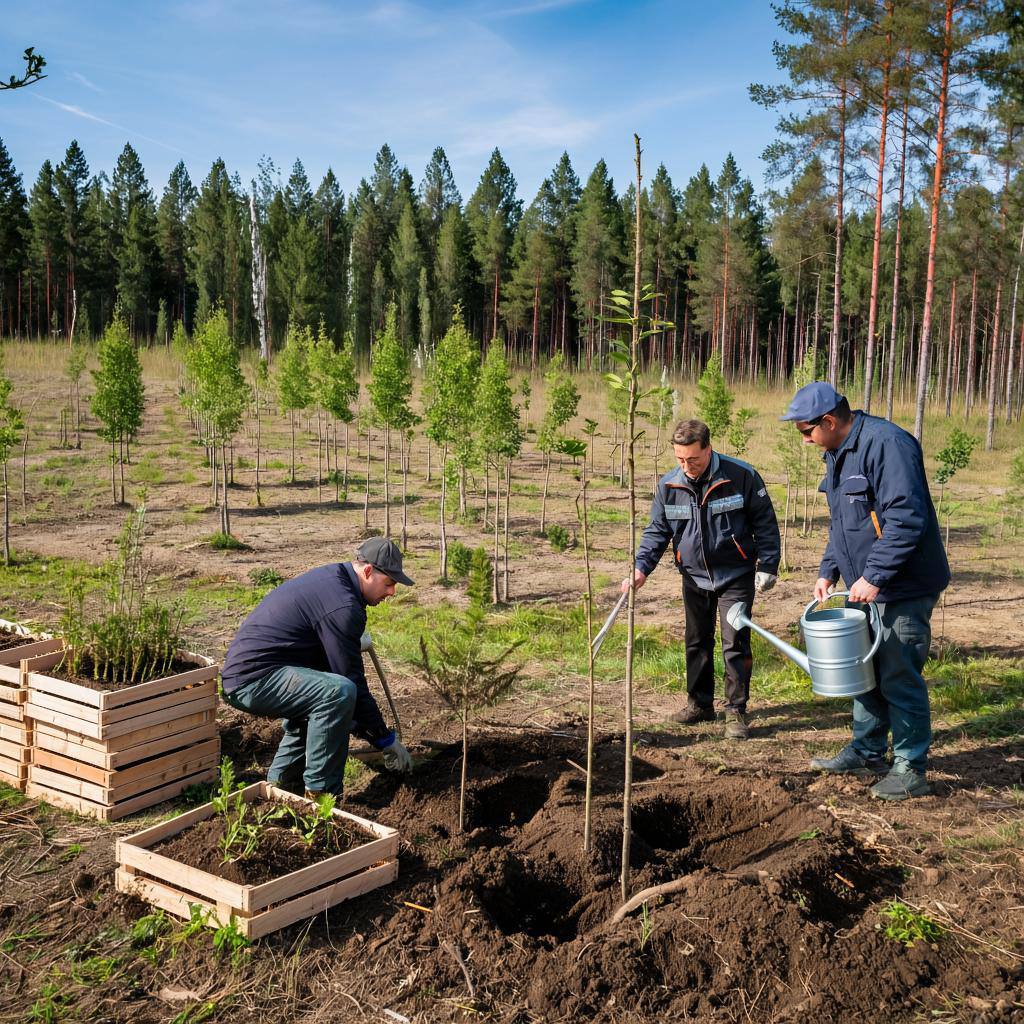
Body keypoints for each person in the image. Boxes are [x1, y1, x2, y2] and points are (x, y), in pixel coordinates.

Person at [781, 381, 950, 801]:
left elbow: (906, 519)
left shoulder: (888, 444)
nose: (805, 441)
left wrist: (874, 576)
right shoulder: (838, 453)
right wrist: (828, 571)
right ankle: (867, 750)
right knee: (864, 670)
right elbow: (845, 523)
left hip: (902, 586)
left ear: (829, 421)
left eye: (806, 431)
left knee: (898, 674)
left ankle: (910, 769)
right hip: (865, 587)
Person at [220, 537, 414, 798]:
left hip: (254, 672)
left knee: (320, 696)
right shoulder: (343, 605)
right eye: (389, 583)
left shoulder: (335, 579)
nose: (392, 592)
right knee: (337, 693)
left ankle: (281, 789)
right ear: (368, 571)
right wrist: (384, 739)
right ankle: (321, 796)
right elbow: (351, 681)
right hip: (253, 679)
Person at [623, 418, 781, 740]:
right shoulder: (669, 486)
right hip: (694, 577)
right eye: (680, 459)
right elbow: (657, 531)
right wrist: (641, 568)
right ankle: (699, 705)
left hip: (735, 575)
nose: (686, 466)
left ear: (708, 449)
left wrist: (768, 565)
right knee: (696, 641)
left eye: (693, 459)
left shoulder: (741, 476)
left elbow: (765, 522)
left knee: (734, 642)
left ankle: (735, 710)